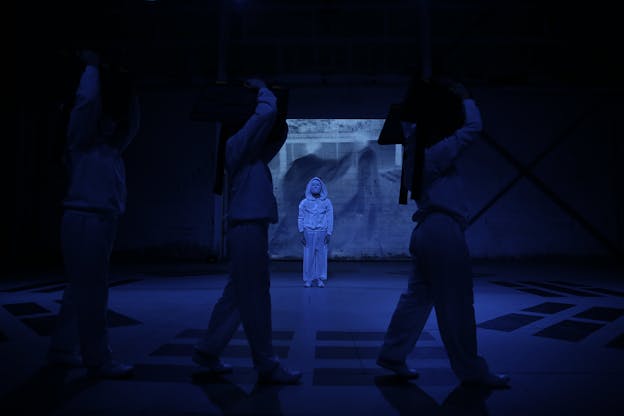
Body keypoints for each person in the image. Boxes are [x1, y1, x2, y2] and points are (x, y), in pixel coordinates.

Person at [376, 78, 510, 389]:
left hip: (426, 232)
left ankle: (393, 354)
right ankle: (471, 370)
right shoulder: (435, 154)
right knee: (457, 304)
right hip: (443, 232)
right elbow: (472, 130)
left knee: (417, 298)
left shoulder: (415, 157)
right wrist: (466, 99)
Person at [193, 78, 302, 385]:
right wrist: (263, 91)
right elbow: (265, 117)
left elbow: (272, 134)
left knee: (238, 294)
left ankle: (208, 350)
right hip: (246, 228)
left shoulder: (251, 157)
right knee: (255, 296)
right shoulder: (236, 147)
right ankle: (266, 364)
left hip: (249, 227)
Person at [46, 49, 140, 379]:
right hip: (87, 220)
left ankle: (61, 349)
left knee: (77, 289)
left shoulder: (110, 151)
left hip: (96, 220)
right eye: (108, 118)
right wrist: (92, 70)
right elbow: (86, 106)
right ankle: (98, 359)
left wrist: (129, 87)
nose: (113, 123)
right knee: (94, 291)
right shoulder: (80, 144)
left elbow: (131, 125)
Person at [298, 177, 333, 288]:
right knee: (309, 255)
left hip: (322, 231)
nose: (315, 187)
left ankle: (319, 279)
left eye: (317, 185)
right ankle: (308, 279)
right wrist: (301, 232)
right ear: (309, 187)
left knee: (321, 256)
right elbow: (301, 217)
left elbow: (330, 217)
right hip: (309, 231)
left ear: (321, 187)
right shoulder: (304, 202)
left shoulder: (326, 202)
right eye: (313, 185)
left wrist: (329, 232)